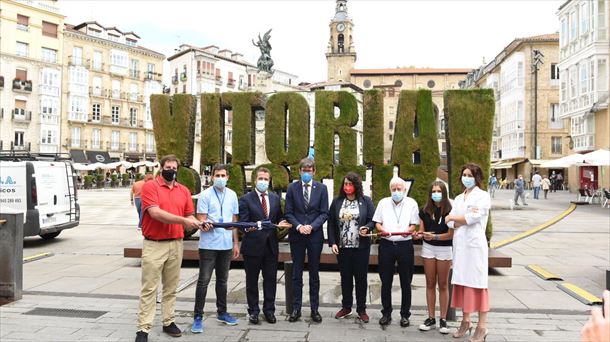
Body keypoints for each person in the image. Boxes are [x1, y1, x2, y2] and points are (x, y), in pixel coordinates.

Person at [135, 155, 201, 342]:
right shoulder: (150, 187)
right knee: (149, 288)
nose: (172, 170)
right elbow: (155, 213)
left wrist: (199, 224)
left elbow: (189, 214)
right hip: (154, 244)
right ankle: (143, 328)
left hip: (176, 243)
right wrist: (184, 221)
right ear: (161, 167)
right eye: (168, 167)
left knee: (171, 287)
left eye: (174, 167)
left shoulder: (183, 190)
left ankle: (168, 321)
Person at [445, 163, 491, 342]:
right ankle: (466, 322)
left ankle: (482, 327)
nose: (466, 178)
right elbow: (450, 223)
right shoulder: (458, 198)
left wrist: (453, 218)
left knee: (477, 286)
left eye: (470, 175)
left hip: (474, 247)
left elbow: (471, 218)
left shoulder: (483, 196)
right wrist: (455, 219)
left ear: (477, 177)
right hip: (461, 247)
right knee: (463, 284)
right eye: (464, 174)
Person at [191, 164, 240, 333]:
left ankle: (222, 312)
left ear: (228, 177)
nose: (220, 178)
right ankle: (198, 316)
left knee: (223, 281)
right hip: (208, 245)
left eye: (223, 175)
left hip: (226, 245)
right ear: (212, 177)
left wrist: (236, 243)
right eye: (217, 175)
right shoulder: (205, 195)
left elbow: (234, 220)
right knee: (203, 281)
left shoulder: (232, 195)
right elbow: (201, 219)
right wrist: (206, 225)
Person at [239, 168, 290, 325]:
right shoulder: (246, 199)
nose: (263, 181)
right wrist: (249, 227)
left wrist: (282, 223)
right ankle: (253, 311)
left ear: (269, 181)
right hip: (252, 247)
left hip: (271, 246)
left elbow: (279, 217)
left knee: (270, 280)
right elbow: (243, 223)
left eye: (265, 179)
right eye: (260, 178)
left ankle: (269, 310)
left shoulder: (275, 198)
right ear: (255, 180)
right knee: (252, 281)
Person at [285, 158, 329, 323]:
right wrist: (298, 226)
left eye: (309, 170)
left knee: (314, 273)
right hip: (297, 236)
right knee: (296, 273)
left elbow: (324, 213)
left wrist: (312, 226)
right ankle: (296, 309)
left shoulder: (322, 189)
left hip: (314, 236)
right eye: (304, 170)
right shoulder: (292, 188)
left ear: (314, 171)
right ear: (299, 171)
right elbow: (288, 212)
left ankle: (314, 309)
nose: (306, 172)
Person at [327, 172, 375, 323]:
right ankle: (346, 306)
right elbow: (331, 223)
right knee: (345, 278)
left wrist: (367, 228)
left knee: (361, 278)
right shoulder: (337, 201)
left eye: (350, 184)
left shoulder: (365, 201)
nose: (347, 187)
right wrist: (333, 242)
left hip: (361, 247)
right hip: (343, 248)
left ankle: (361, 309)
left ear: (356, 186)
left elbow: (372, 220)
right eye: (345, 184)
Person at [372, 176, 419, 327]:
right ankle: (386, 313)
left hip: (405, 245)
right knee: (386, 281)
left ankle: (405, 314)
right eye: (394, 189)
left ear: (405, 190)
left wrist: (408, 231)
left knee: (406, 281)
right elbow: (377, 223)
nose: (397, 192)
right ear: (390, 190)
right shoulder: (383, 203)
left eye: (399, 189)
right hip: (387, 244)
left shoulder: (411, 203)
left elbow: (414, 224)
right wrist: (382, 230)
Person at [416, 181, 453, 334]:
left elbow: (451, 235)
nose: (436, 194)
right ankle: (431, 317)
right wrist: (419, 234)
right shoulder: (424, 210)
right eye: (433, 191)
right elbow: (421, 230)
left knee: (443, 284)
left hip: (444, 249)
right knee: (430, 283)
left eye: (439, 191)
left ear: (444, 193)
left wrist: (435, 237)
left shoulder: (450, 210)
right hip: (428, 249)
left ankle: (443, 319)